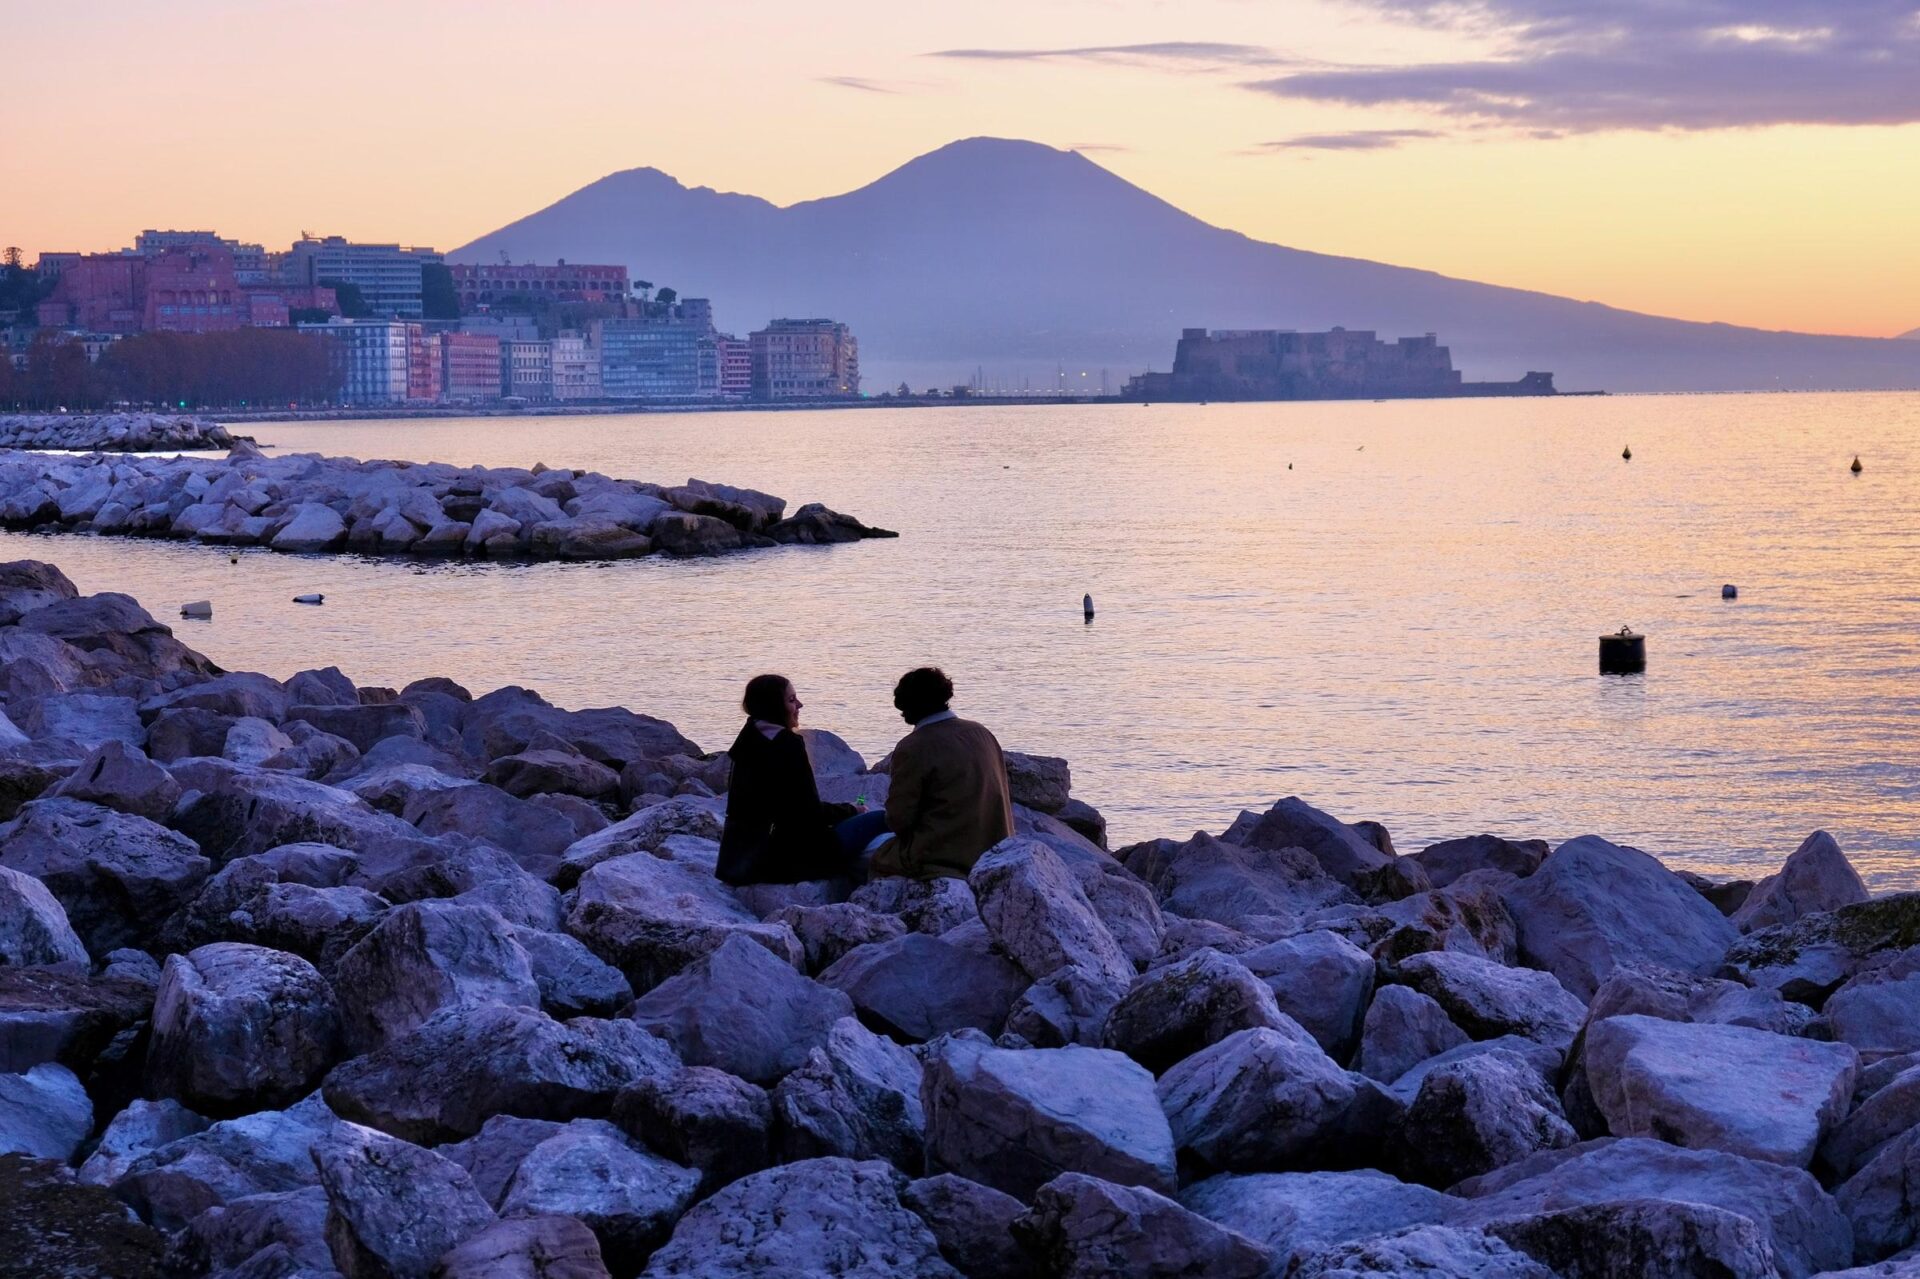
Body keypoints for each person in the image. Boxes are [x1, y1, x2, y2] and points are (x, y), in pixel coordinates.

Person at [715, 674, 888, 886]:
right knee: (883, 818)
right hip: (790, 859)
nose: (799, 704)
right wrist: (851, 810)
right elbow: (807, 813)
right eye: (791, 700)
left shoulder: (749, 736)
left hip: (740, 859)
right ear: (773, 706)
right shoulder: (786, 744)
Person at [869, 666, 1014, 880]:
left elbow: (899, 820)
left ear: (908, 704)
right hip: (993, 850)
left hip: (943, 856)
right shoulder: (981, 732)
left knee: (864, 855)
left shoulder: (914, 746)